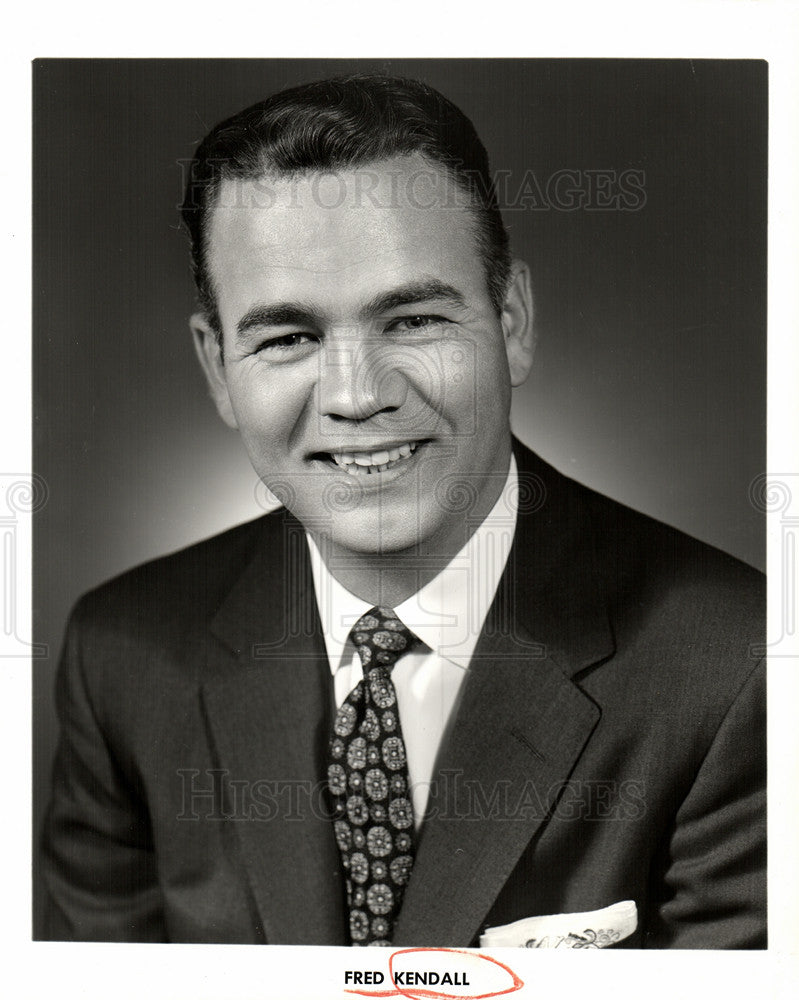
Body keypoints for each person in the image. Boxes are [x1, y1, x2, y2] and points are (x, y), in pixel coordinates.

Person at [39, 74, 765, 949]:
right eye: (288, 338)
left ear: (512, 320)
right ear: (216, 365)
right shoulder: (123, 657)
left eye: (413, 320)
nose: (355, 396)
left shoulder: (740, 670)